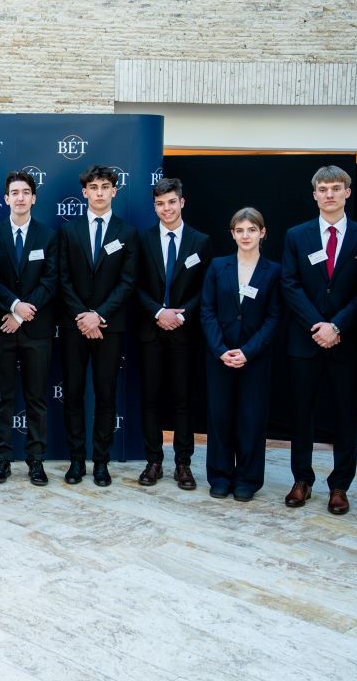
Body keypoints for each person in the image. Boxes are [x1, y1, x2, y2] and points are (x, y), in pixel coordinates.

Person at [280, 166, 357, 514]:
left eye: (336, 188)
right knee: (301, 414)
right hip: (305, 341)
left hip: (346, 341)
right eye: (323, 189)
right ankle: (302, 480)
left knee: (346, 416)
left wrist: (336, 326)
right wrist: (317, 325)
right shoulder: (296, 235)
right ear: (315, 195)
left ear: (347, 192)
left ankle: (340, 485)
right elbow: (289, 283)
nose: (330, 194)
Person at [56, 165, 140, 486]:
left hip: (108, 327)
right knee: (73, 395)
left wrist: (99, 315)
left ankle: (101, 463)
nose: (100, 192)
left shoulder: (126, 232)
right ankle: (77, 460)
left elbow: (127, 281)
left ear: (114, 191)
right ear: (85, 192)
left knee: (106, 395)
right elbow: (63, 278)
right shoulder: (69, 231)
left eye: (105, 187)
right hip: (75, 326)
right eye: (94, 187)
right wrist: (83, 315)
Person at [200, 207, 281, 502]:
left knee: (251, 419)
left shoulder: (274, 271)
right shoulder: (217, 267)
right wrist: (220, 350)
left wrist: (247, 351)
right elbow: (207, 310)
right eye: (240, 230)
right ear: (232, 234)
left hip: (254, 358)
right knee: (220, 417)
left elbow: (274, 317)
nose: (246, 236)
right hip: (220, 356)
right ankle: (220, 476)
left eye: (252, 230)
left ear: (263, 233)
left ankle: (247, 478)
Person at [134, 177, 210, 490]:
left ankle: (183, 464)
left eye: (171, 202)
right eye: (160, 204)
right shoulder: (143, 239)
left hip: (184, 332)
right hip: (150, 331)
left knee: (183, 400)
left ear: (182, 202)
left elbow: (204, 288)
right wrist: (158, 312)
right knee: (150, 399)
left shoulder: (200, 241)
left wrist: (181, 315)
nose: (166, 209)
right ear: (154, 207)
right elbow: (135, 285)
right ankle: (153, 460)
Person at [0, 171, 56, 486]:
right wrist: (14, 307)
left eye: (25, 192)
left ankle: (36, 461)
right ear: (6, 198)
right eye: (14, 192)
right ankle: (1, 460)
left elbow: (51, 280)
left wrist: (24, 312)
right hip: (2, 327)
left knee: (36, 399)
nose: (20, 197)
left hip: (37, 330)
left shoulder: (48, 236)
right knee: (2, 398)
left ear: (33, 198)